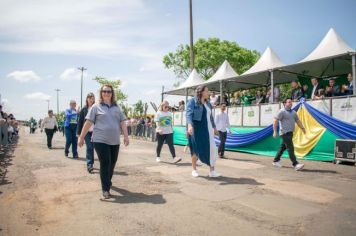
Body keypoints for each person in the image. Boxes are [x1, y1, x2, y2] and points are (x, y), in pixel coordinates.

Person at [78, 84, 129, 199]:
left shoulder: (117, 107)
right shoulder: (96, 107)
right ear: (101, 93)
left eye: (109, 91)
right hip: (100, 140)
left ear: (112, 93)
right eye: (104, 91)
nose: (106, 93)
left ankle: (107, 183)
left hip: (115, 140)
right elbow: (88, 122)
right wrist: (81, 137)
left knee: (112, 163)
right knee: (105, 162)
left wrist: (126, 136)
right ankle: (105, 189)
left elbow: (122, 123)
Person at [186, 85, 221, 178]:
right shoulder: (192, 101)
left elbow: (211, 117)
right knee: (195, 149)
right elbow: (189, 114)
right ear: (201, 92)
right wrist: (189, 125)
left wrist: (214, 128)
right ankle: (194, 169)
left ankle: (212, 171)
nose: (208, 93)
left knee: (212, 149)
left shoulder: (208, 103)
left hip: (208, 130)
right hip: (196, 128)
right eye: (206, 91)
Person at [272, 98, 306, 171]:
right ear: (285, 103)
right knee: (290, 148)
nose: (291, 103)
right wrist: (274, 131)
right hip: (284, 133)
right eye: (289, 102)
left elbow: (297, 120)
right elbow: (275, 120)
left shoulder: (294, 112)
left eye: (291, 102)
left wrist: (302, 128)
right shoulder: (281, 111)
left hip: (290, 133)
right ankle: (295, 164)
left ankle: (275, 160)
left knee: (283, 147)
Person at [77, 92, 96, 173]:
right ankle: (89, 164)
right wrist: (79, 134)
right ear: (87, 99)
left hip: (96, 132)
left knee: (94, 147)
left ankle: (92, 162)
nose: (91, 100)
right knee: (89, 147)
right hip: (87, 132)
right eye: (89, 98)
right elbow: (80, 122)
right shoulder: (84, 110)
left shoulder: (96, 108)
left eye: (92, 98)